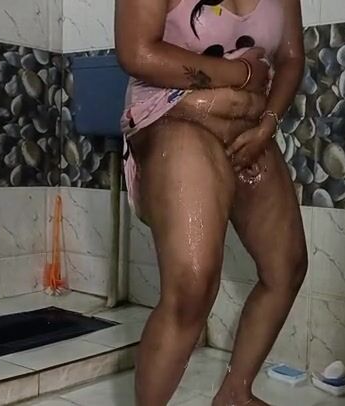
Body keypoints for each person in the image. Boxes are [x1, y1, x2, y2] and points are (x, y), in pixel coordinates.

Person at [115, 0, 306, 404]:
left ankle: (235, 394)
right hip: (173, 117)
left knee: (286, 267)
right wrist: (242, 74)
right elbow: (136, 52)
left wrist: (268, 124)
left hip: (249, 126)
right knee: (193, 284)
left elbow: (290, 59)